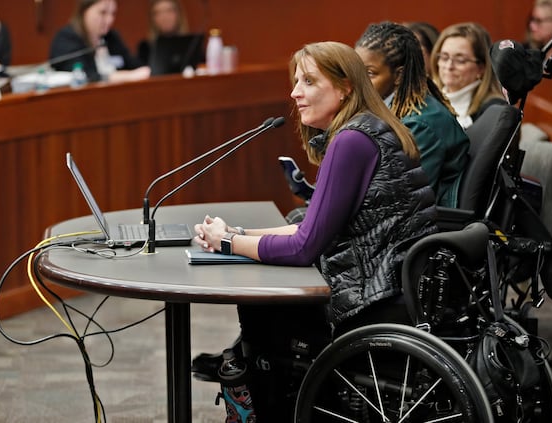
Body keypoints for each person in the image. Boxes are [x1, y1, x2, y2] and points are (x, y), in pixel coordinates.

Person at [193, 41, 438, 421]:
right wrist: (239, 233)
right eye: (296, 81)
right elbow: (310, 225)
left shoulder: (353, 141)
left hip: (373, 293)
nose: (295, 92)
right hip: (387, 279)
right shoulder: (368, 129)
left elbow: (305, 247)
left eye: (308, 81)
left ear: (345, 88)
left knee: (263, 305)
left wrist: (228, 242)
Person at [355, 21, 469, 208]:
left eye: (370, 73)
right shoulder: (390, 111)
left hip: (426, 228)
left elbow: (402, 199)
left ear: (399, 75)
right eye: (357, 72)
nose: (360, 82)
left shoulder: (420, 123)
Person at [50, 0, 150, 83]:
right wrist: (128, 76)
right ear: (84, 10)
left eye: (113, 13)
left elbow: (134, 65)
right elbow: (85, 77)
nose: (109, 20)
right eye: (103, 12)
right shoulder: (66, 38)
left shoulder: (111, 37)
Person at [430, 22, 506, 129]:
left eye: (460, 60)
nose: (449, 66)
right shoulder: (428, 100)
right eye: (444, 57)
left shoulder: (495, 111)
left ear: (481, 68)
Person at [136, 0, 189, 66]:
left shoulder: (192, 44)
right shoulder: (145, 48)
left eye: (169, 11)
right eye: (158, 13)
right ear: (152, 19)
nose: (164, 17)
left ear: (179, 14)